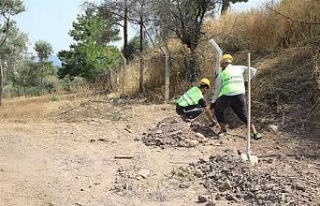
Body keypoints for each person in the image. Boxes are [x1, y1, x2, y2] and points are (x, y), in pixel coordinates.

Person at [210, 54, 263, 140]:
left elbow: (218, 89)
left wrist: (213, 102)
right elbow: (253, 70)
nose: (221, 67)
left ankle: (223, 130)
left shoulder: (221, 74)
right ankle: (255, 133)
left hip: (226, 96)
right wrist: (245, 79)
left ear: (223, 63)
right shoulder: (239, 68)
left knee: (218, 111)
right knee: (243, 114)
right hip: (239, 96)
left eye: (221, 65)